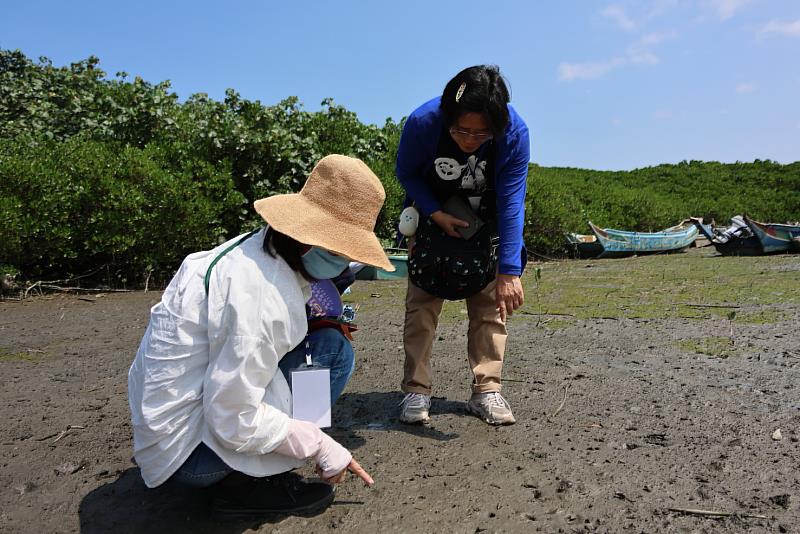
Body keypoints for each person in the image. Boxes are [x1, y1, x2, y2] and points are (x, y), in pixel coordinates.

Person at [128, 155, 394, 520]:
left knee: (330, 346)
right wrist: (317, 444)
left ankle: (272, 455)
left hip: (170, 422)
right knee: (329, 354)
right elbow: (232, 416)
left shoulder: (258, 248)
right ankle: (244, 486)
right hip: (189, 456)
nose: (343, 262)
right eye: (339, 251)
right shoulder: (262, 295)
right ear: (306, 239)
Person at [395, 65, 530, 426]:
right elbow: (407, 172)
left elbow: (512, 200)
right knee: (422, 306)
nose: (470, 141)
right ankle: (416, 389)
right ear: (447, 116)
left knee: (491, 305)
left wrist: (509, 270)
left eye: (481, 133)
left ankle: (487, 389)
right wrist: (435, 212)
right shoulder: (423, 122)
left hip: (487, 223)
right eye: (461, 130)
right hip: (432, 216)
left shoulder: (514, 133)